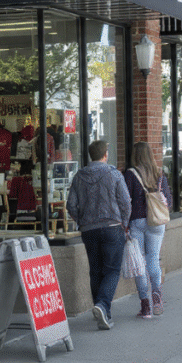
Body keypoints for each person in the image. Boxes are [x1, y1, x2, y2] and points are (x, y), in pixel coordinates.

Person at [67, 140, 131, 330]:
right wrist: (124, 224)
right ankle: (102, 305)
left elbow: (71, 205)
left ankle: (104, 312)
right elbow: (125, 202)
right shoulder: (113, 174)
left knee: (95, 270)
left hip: (89, 229)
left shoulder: (79, 176)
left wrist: (81, 220)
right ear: (105, 154)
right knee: (111, 270)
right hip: (112, 226)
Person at [122, 141, 172, 318]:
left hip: (137, 222)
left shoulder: (130, 174)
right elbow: (168, 199)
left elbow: (125, 201)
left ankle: (145, 306)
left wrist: (124, 223)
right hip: (157, 222)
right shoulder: (159, 172)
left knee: (140, 263)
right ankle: (157, 296)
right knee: (153, 260)